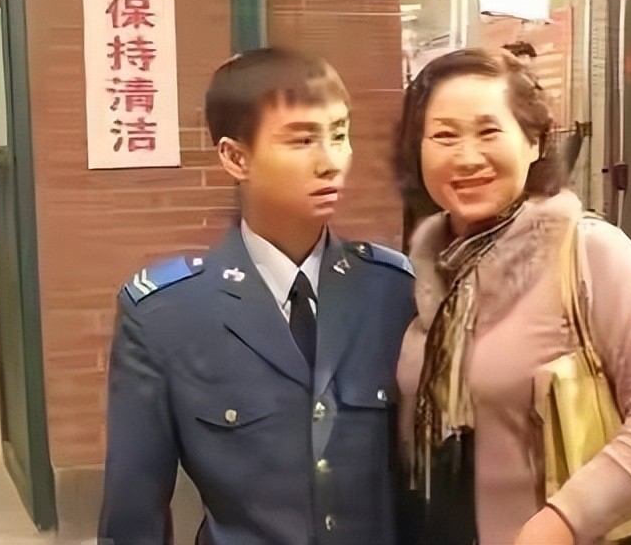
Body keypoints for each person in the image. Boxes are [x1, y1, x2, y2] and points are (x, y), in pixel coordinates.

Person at [99, 48, 417, 545]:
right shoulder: (167, 315)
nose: (330, 162)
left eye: (339, 135)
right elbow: (134, 512)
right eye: (302, 140)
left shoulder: (391, 290)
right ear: (235, 157)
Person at [393, 48, 631, 545]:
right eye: (444, 136)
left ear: (534, 140)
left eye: (489, 132)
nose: (466, 157)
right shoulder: (425, 271)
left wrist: (561, 522)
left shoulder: (590, 252)